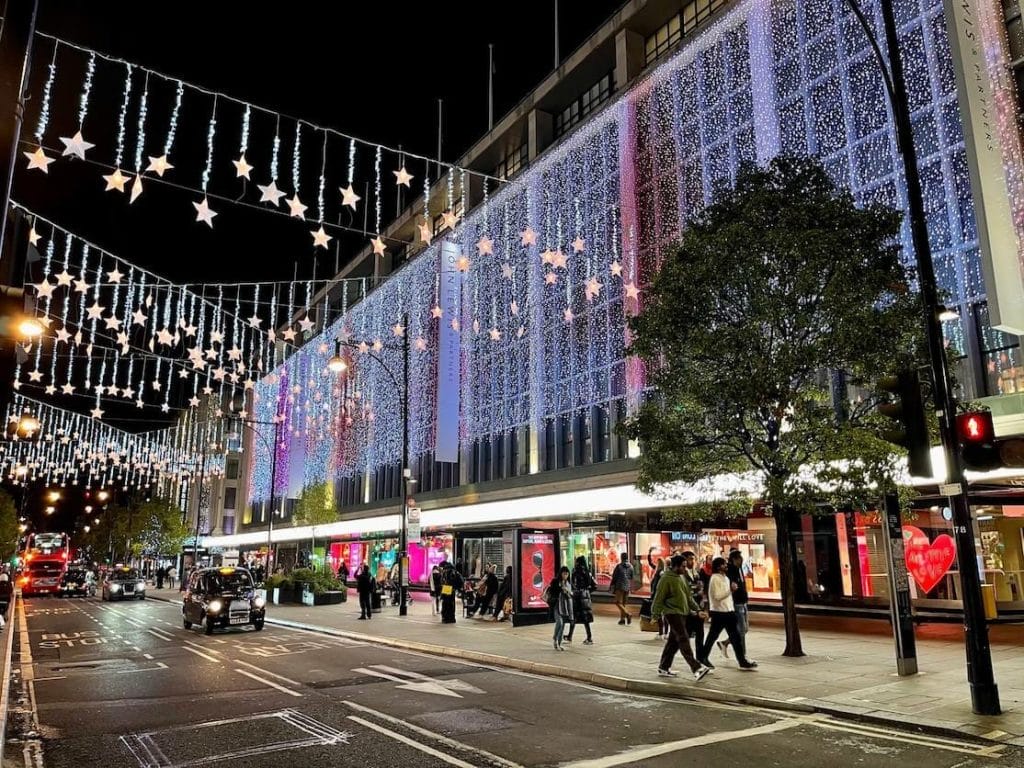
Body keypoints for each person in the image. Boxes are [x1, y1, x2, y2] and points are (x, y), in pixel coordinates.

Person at [652, 554, 710, 681]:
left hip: (682, 613)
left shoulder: (681, 577)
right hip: (672, 613)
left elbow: (688, 597)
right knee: (683, 639)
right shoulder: (666, 578)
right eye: (683, 566)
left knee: (673, 642)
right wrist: (655, 615)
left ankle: (664, 667)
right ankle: (696, 668)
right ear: (676, 566)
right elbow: (659, 597)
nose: (685, 569)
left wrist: (697, 610)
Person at [700, 557, 757, 670]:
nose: (726, 565)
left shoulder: (726, 578)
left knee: (735, 637)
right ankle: (703, 657)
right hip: (719, 612)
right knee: (713, 636)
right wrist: (730, 591)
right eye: (723, 564)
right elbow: (717, 596)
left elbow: (727, 597)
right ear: (718, 567)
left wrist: (731, 605)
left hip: (729, 612)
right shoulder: (715, 578)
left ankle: (742, 661)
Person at [717, 550, 749, 660]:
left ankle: (725, 643)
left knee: (743, 630)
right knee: (741, 630)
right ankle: (742, 655)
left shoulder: (739, 569)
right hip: (736, 603)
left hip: (742, 602)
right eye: (740, 559)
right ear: (734, 559)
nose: (742, 561)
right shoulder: (731, 571)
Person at [565, 556, 596, 644]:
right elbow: (594, 585)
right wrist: (587, 592)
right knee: (585, 618)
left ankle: (570, 636)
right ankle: (588, 637)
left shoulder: (576, 571)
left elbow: (573, 584)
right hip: (585, 596)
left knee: (574, 616)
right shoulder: (588, 572)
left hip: (577, 596)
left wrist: (575, 591)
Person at [681, 551, 706, 655]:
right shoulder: (682, 574)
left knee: (700, 633)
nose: (692, 561)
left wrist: (700, 590)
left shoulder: (696, 572)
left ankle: (700, 657)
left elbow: (698, 585)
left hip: (697, 606)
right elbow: (686, 590)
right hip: (687, 608)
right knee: (683, 636)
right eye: (690, 559)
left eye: (693, 559)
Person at [547, 565, 573, 650]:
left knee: (563, 626)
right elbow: (552, 591)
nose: (565, 575)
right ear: (561, 574)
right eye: (564, 574)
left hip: (565, 606)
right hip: (556, 605)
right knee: (560, 623)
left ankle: (559, 643)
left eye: (567, 574)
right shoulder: (555, 581)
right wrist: (561, 588)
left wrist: (567, 592)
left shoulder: (568, 584)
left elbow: (570, 596)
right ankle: (555, 638)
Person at [610, 552, 634, 625]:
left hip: (619, 586)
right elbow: (631, 577)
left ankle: (627, 614)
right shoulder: (631, 566)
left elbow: (614, 576)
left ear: (621, 558)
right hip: (627, 586)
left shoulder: (619, 566)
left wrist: (612, 585)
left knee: (617, 602)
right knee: (623, 604)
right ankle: (622, 619)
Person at [649, 558, 667, 637]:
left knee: (660, 613)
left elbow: (658, 583)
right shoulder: (659, 571)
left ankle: (662, 632)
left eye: (658, 562)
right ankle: (663, 632)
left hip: (658, 594)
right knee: (662, 614)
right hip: (658, 593)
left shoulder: (660, 572)